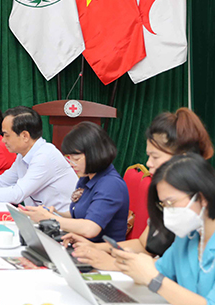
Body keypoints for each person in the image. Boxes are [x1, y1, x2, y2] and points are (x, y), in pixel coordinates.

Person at [66, 108, 214, 270]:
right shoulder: (165, 197)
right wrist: (94, 247)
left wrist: (115, 264)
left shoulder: (192, 209)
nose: (148, 163)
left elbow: (176, 268)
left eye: (155, 156)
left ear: (183, 157)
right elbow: (145, 245)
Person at [111, 153, 215, 305]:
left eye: (171, 203)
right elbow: (160, 270)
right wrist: (133, 263)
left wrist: (153, 277)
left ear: (202, 198)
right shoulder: (187, 237)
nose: (168, 212)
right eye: (164, 205)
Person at [23, 122, 129, 242]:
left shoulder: (111, 184)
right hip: (81, 244)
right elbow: (78, 214)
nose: (72, 164)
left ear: (94, 155)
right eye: (70, 158)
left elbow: (90, 228)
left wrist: (50, 218)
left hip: (103, 250)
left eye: (76, 159)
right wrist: (56, 213)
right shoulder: (86, 177)